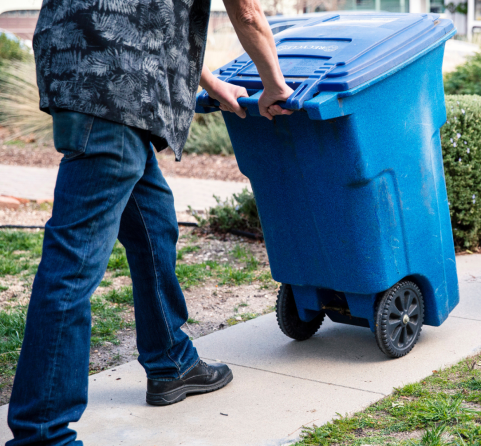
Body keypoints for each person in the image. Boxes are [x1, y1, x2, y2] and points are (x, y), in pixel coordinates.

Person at [7, 0, 292, 444]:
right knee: (73, 265)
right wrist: (274, 84)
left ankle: (170, 363)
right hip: (112, 93)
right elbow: (249, 11)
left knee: (154, 227)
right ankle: (41, 433)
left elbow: (144, 21)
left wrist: (215, 86)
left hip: (80, 73)